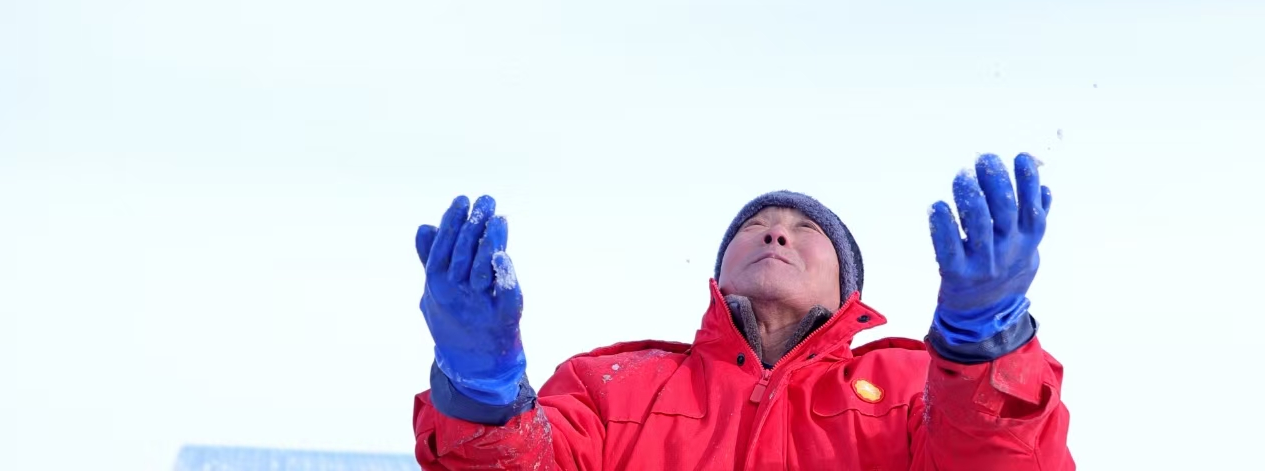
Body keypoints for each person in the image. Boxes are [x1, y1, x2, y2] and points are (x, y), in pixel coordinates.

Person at [411, 153, 1073, 469]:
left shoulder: (915, 387)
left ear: (848, 291)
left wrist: (987, 343)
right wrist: (481, 388)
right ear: (720, 270)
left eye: (803, 230)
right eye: (757, 223)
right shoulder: (611, 388)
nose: (777, 232)